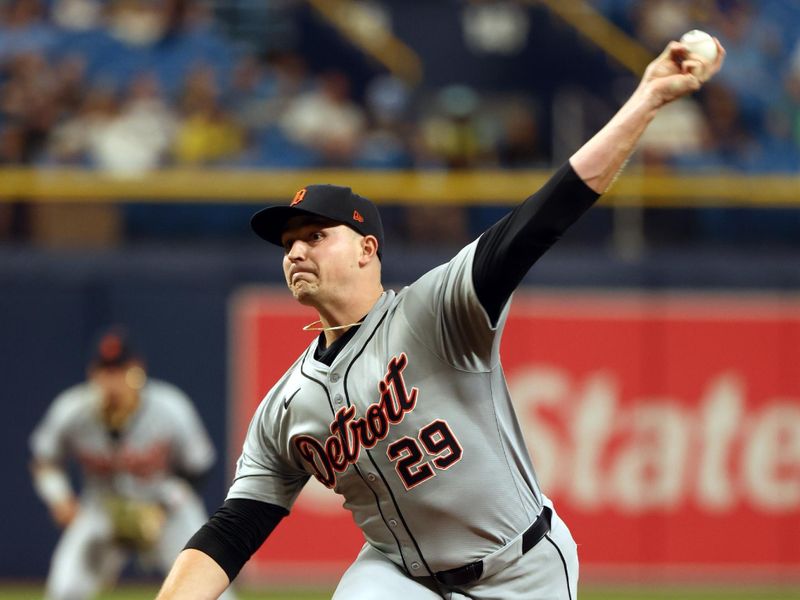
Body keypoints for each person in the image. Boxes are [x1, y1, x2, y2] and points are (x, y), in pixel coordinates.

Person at [156, 38, 725, 600]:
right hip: (398, 577)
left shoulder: (435, 312)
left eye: (315, 236)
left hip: (523, 570)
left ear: (366, 249)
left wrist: (646, 97)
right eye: (287, 244)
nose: (296, 252)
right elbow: (233, 532)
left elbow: (544, 215)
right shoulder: (286, 407)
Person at [29, 326, 237, 600]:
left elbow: (199, 467)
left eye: (120, 370)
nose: (113, 380)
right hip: (102, 508)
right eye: (105, 371)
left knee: (214, 592)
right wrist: (59, 497)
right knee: (65, 591)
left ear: (138, 370)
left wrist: (163, 507)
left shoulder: (169, 407)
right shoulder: (73, 410)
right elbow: (45, 459)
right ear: (93, 374)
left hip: (165, 508)